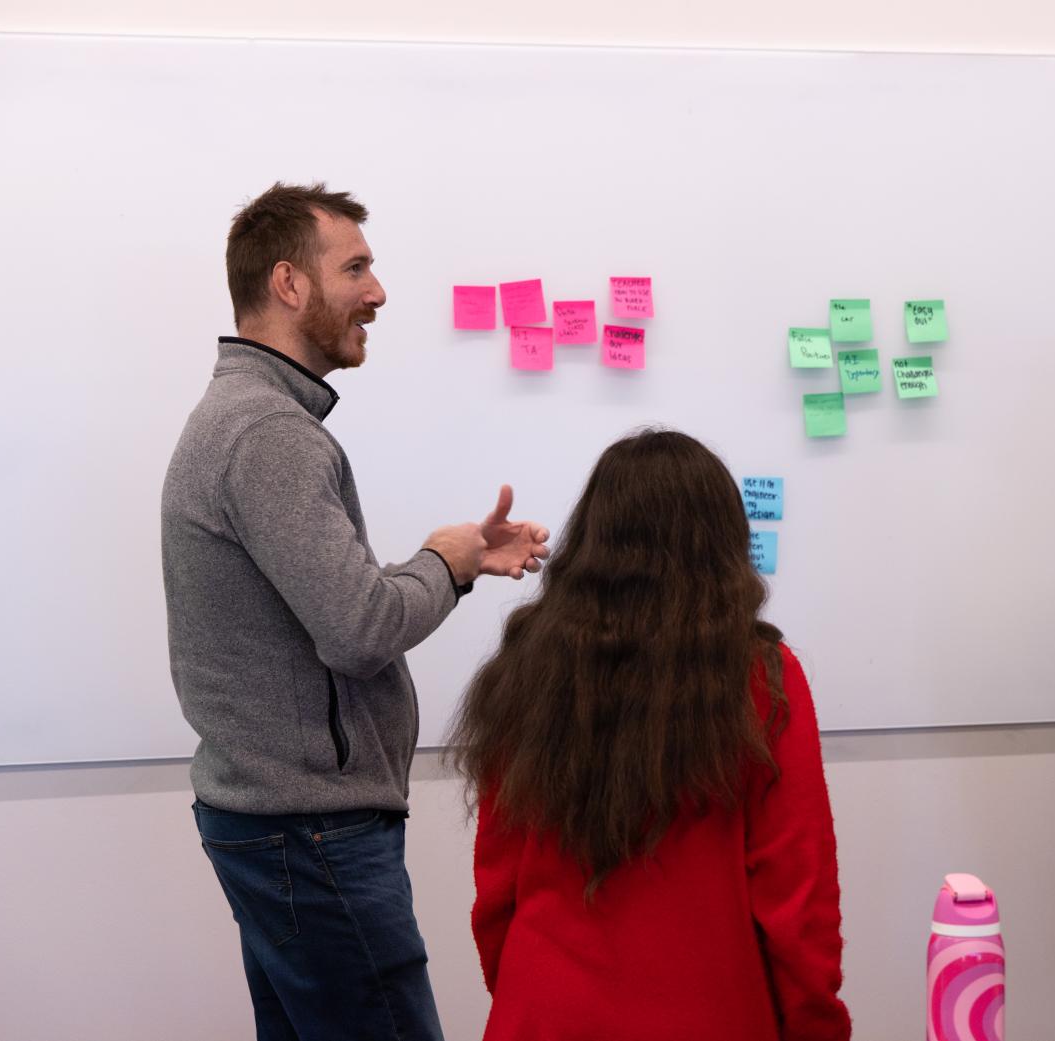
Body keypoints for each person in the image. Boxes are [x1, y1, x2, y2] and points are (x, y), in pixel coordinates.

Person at [161, 182, 550, 1041]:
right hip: (312, 833)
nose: (377, 292)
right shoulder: (268, 433)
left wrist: (454, 560)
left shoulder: (249, 420)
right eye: (357, 268)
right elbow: (359, 628)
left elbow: (334, 603)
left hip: (285, 826)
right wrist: (444, 562)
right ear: (289, 282)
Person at [445, 429, 851, 1041]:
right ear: (723, 540)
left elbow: (497, 884)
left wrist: (526, 993)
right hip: (709, 1015)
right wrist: (816, 1025)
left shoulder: (528, 666)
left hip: (545, 1009)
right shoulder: (762, 678)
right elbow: (797, 890)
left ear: (592, 536)